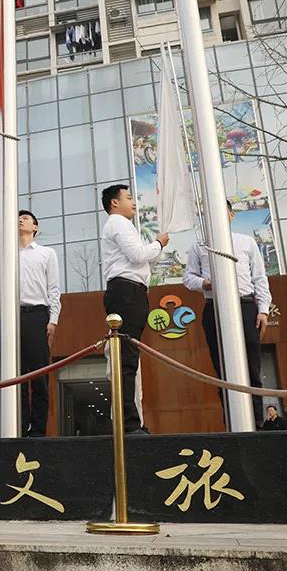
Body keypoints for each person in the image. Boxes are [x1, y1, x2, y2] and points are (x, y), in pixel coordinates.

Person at [183, 200, 271, 428]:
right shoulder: (199, 246)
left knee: (252, 364)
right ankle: (231, 421)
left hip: (245, 306)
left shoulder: (246, 242)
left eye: (223, 213)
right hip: (214, 307)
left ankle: (258, 422)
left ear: (231, 216)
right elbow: (188, 278)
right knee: (221, 366)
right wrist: (204, 283)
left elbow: (259, 278)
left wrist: (263, 310)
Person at [0, 210, 62, 437]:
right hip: (12, 316)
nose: (20, 220)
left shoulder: (47, 254)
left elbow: (54, 290)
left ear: (35, 227)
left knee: (39, 375)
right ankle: (18, 427)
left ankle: (37, 431)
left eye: (26, 218)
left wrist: (53, 320)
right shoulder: (6, 255)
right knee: (15, 375)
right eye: (18, 218)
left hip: (38, 316)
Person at [99, 184, 168, 434]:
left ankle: (132, 420)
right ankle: (128, 424)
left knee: (129, 359)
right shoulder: (117, 223)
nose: (134, 202)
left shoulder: (125, 226)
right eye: (128, 197)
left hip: (132, 292)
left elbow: (144, 259)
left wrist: (158, 246)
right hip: (125, 292)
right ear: (115, 203)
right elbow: (139, 255)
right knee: (125, 360)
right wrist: (158, 243)